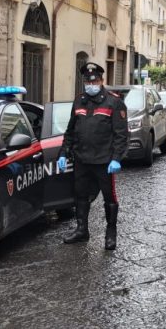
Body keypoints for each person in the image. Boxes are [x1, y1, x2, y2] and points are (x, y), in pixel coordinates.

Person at [58, 62, 129, 250]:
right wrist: (63, 153)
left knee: (109, 198)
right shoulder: (78, 100)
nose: (91, 84)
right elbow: (70, 131)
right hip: (82, 159)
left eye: (95, 81)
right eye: (88, 82)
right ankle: (82, 230)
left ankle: (111, 233)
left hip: (104, 162)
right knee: (80, 195)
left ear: (101, 81)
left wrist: (116, 158)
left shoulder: (114, 102)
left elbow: (121, 135)